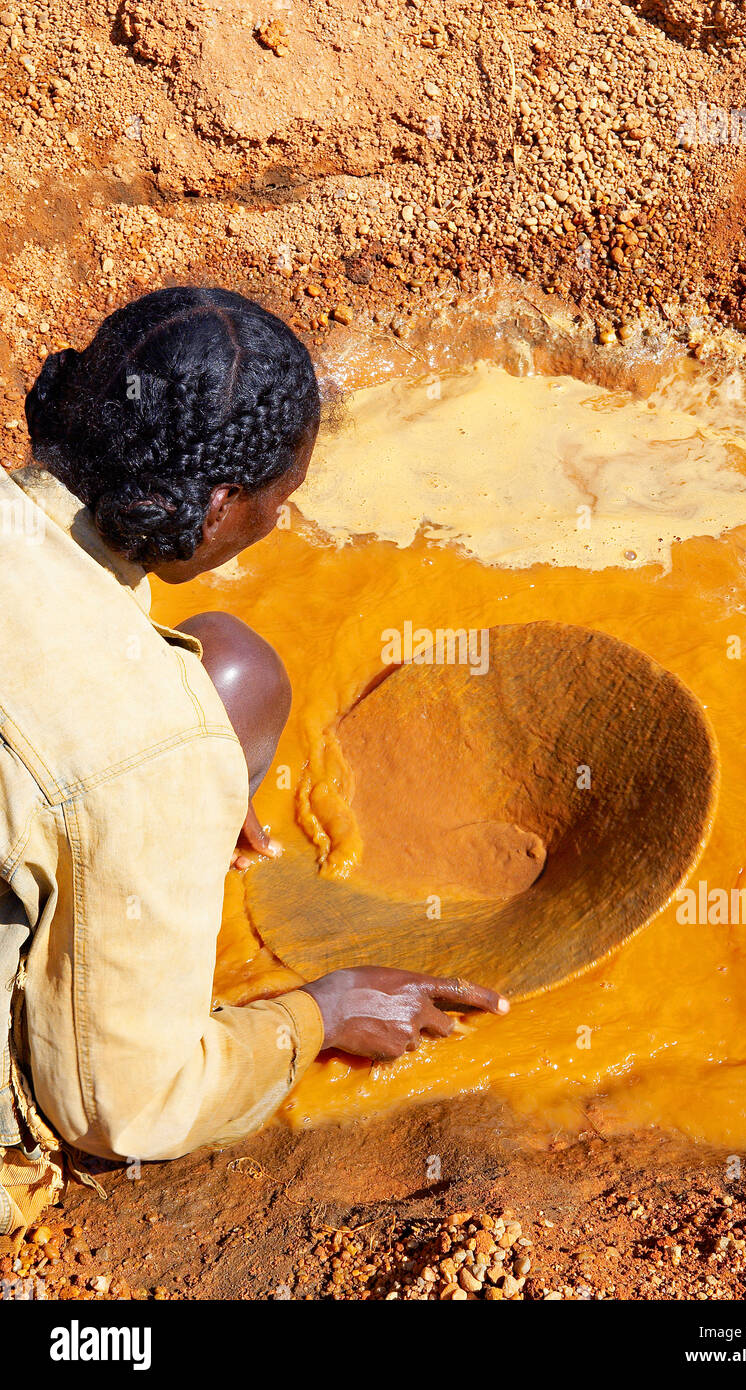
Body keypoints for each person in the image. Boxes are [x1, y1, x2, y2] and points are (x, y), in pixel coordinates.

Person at [0, 286, 507, 1234]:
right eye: (285, 498)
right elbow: (126, 1108)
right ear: (223, 505)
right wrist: (317, 1013)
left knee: (233, 665)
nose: (280, 518)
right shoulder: (146, 752)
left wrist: (146, 782)